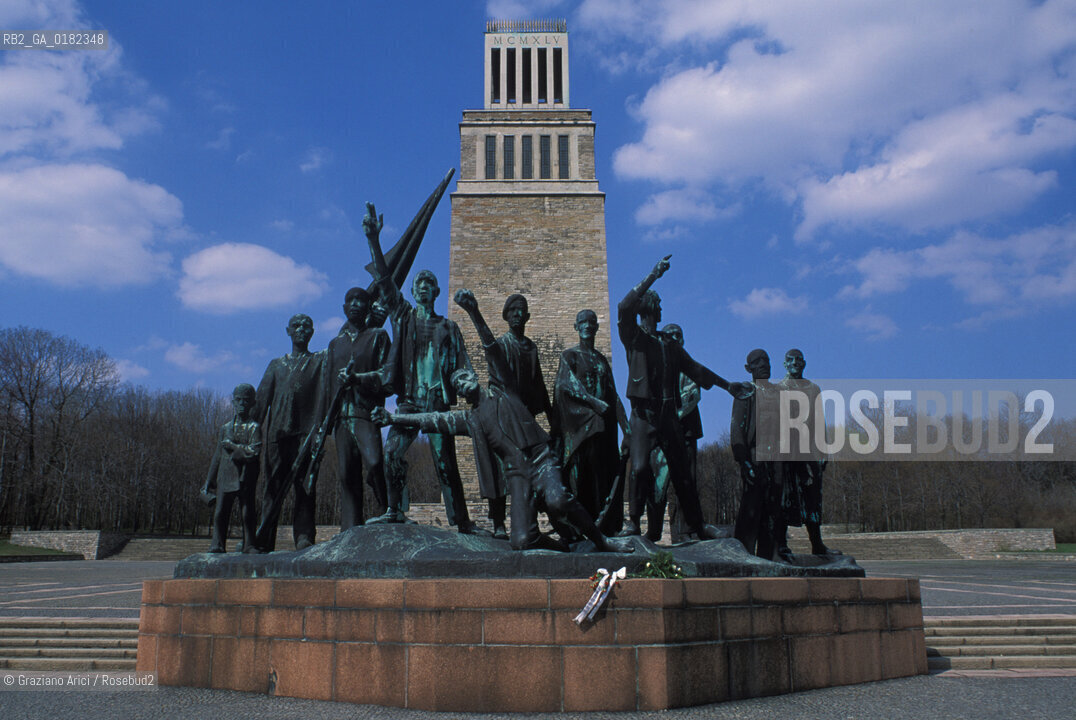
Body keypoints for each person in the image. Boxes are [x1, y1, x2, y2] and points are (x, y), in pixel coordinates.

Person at [372, 287, 633, 554]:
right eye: (459, 384)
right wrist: (393, 416)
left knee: (556, 500)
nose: (463, 383)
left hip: (540, 459)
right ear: (460, 393)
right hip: (518, 473)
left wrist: (473, 311)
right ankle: (554, 545)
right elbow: (432, 420)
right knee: (521, 541)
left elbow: (491, 347)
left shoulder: (503, 387)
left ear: (475, 377)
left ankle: (602, 541)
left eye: (464, 377)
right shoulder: (470, 419)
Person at [362, 202, 482, 533]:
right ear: (413, 292)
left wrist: (467, 382)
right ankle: (394, 509)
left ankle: (461, 522)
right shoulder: (403, 317)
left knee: (445, 464)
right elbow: (386, 282)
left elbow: (461, 367)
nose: (424, 287)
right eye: (419, 284)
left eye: (429, 284)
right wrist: (374, 240)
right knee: (392, 454)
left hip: (438, 401)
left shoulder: (448, 328)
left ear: (436, 291)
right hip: (411, 400)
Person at [617, 255, 730, 541]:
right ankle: (633, 522)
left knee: (682, 475)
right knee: (640, 467)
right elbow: (623, 306)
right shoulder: (634, 338)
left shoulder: (669, 345)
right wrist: (653, 275)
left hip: (668, 417)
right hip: (643, 415)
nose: (663, 308)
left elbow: (697, 370)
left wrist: (728, 386)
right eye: (659, 304)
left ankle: (698, 525)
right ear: (650, 307)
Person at [479, 293, 559, 539]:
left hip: (523, 416)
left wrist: (550, 414)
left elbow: (539, 384)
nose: (516, 313)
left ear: (527, 316)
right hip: (503, 416)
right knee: (499, 470)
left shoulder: (531, 347)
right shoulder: (502, 344)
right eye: (511, 310)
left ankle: (530, 521)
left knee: (526, 469)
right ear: (506, 316)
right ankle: (498, 523)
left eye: (520, 309)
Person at [315, 286, 391, 531]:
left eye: (361, 300)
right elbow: (326, 386)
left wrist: (357, 379)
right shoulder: (335, 344)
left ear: (368, 307)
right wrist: (322, 424)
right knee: (347, 476)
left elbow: (387, 377)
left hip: (365, 413)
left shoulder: (378, 336)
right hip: (340, 417)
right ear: (344, 308)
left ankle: (388, 510)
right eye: (351, 300)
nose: (356, 304)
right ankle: (349, 529)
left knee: (375, 463)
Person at [253, 314, 324, 551]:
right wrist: (251, 433)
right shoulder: (276, 365)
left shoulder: (319, 361)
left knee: (305, 488)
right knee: (272, 487)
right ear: (288, 331)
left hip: (306, 435)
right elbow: (261, 402)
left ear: (312, 332)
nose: (301, 329)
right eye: (296, 326)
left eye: (306, 326)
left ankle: (304, 537)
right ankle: (264, 539)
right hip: (277, 435)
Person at [554, 309, 628, 530]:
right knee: (579, 478)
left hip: (602, 430)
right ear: (576, 327)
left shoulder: (601, 360)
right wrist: (592, 402)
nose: (587, 326)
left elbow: (613, 395)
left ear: (596, 327)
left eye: (591, 322)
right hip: (578, 430)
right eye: (582, 322)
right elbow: (563, 387)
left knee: (601, 477)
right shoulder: (569, 356)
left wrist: (627, 427)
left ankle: (601, 526)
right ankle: (579, 526)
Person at [777, 348, 838, 557]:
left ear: (804, 363)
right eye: (790, 360)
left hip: (809, 449)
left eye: (798, 360)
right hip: (785, 451)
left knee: (813, 497)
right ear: (784, 364)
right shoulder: (778, 389)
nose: (794, 363)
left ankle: (817, 543)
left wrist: (824, 450)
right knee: (785, 497)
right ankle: (781, 544)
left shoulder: (813, 388)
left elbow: (819, 421)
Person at [730, 349, 782, 559]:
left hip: (777, 455)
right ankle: (744, 551)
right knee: (751, 505)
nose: (764, 365)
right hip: (754, 453)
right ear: (748, 368)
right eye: (758, 362)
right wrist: (744, 461)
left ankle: (771, 553)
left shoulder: (779, 393)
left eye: (766, 361)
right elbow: (736, 429)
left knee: (775, 506)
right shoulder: (746, 392)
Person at [201, 384, 261, 554]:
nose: (242, 404)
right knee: (220, 512)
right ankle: (217, 544)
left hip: (246, 477)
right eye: (239, 400)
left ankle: (249, 544)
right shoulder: (225, 428)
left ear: (252, 403)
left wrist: (233, 447)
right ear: (233, 401)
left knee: (247, 512)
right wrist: (209, 481)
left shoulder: (254, 428)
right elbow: (217, 456)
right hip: (225, 476)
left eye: (246, 401)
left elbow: (254, 452)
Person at [662, 323, 704, 544]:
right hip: (665, 434)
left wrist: (672, 416)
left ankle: (688, 530)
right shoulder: (658, 365)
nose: (675, 338)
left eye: (679, 335)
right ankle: (663, 531)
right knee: (661, 483)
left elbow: (693, 394)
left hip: (685, 432)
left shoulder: (689, 365)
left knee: (688, 481)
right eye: (670, 335)